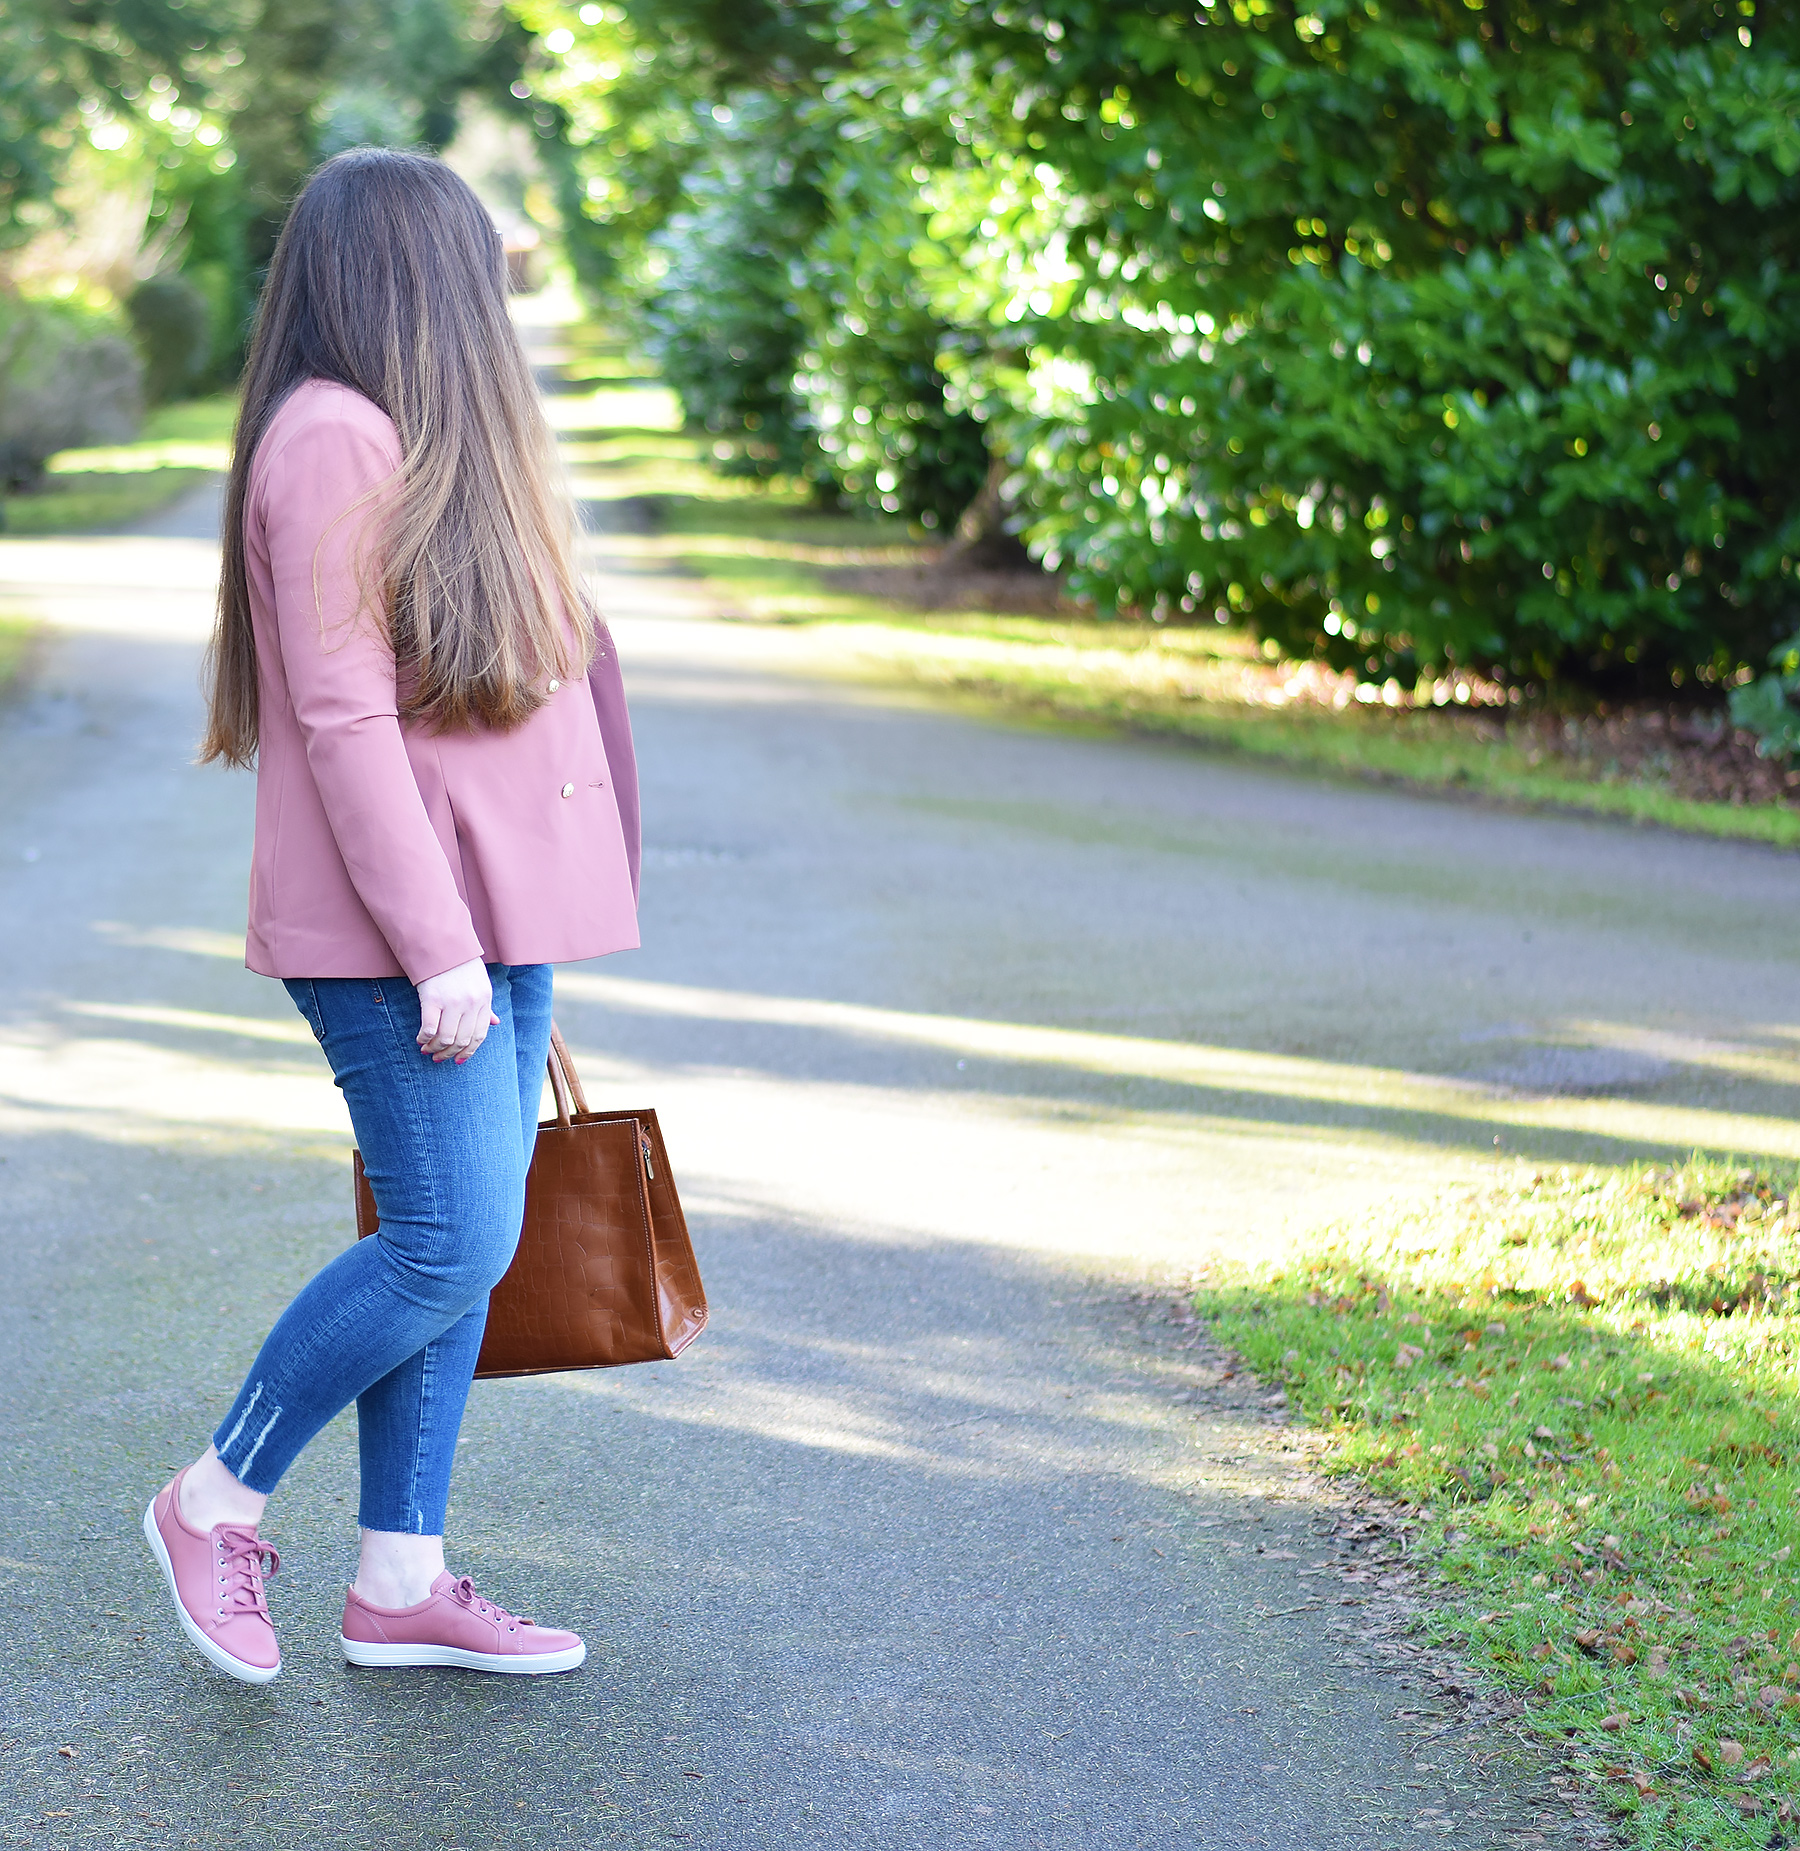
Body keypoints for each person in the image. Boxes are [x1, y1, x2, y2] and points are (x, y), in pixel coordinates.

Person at [140, 147, 641, 1684]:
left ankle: (400, 1580)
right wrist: (440, 950)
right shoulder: (332, 442)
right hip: (399, 938)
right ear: (420, 282)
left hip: (495, 918)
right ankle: (210, 1500)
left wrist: (529, 913)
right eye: (474, 267)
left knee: (463, 1248)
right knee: (445, 1240)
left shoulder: (419, 439)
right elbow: (348, 725)